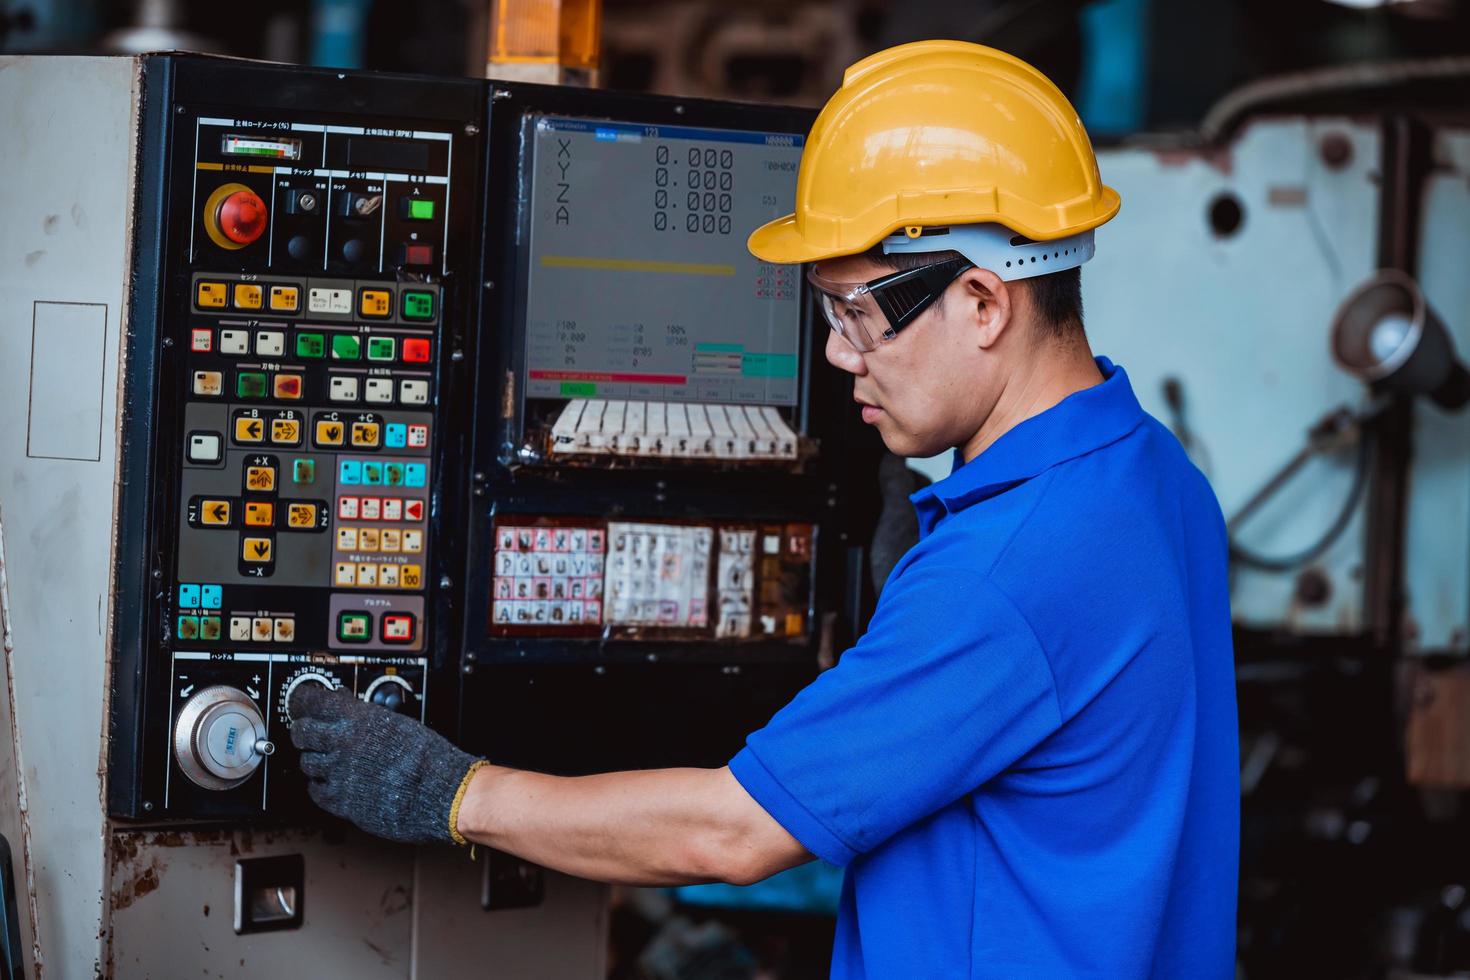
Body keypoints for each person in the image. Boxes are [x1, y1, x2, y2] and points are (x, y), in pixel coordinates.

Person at [291, 39, 1239, 978]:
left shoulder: (1001, 574)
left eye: (857, 314)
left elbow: (731, 835)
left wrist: (449, 791)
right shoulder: (1156, 478)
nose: (837, 355)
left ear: (984, 303)